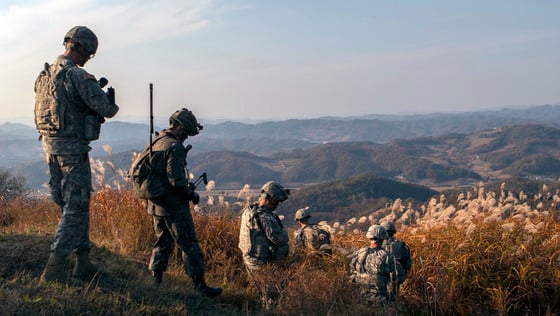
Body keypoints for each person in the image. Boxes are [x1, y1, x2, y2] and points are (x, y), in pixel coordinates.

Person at [35, 26, 119, 283]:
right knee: (76, 207)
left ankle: (83, 262)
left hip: (50, 148)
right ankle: (55, 269)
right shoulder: (77, 76)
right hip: (72, 150)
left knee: (71, 205)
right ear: (78, 47)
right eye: (89, 53)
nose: (88, 58)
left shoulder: (45, 74)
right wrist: (109, 99)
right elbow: (107, 109)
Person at [144, 108, 222, 298]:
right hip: (173, 205)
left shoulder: (158, 140)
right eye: (186, 131)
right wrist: (191, 194)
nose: (186, 136)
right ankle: (200, 286)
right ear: (179, 126)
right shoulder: (175, 147)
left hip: (155, 203)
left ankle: (156, 279)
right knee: (189, 244)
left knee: (162, 240)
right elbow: (176, 181)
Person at [238, 181, 290, 309]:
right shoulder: (265, 217)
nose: (277, 205)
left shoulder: (249, 210)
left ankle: (257, 308)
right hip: (261, 262)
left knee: (259, 291)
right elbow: (280, 239)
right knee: (272, 295)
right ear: (270, 198)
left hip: (249, 258)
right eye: (277, 201)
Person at [349, 225, 396, 305]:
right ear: (382, 239)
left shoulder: (359, 253)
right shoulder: (387, 256)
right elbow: (397, 277)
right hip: (380, 300)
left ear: (369, 237)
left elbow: (352, 273)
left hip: (360, 298)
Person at [382, 220, 412, 297]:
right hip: (398, 280)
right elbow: (408, 265)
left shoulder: (378, 246)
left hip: (381, 282)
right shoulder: (402, 245)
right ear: (393, 232)